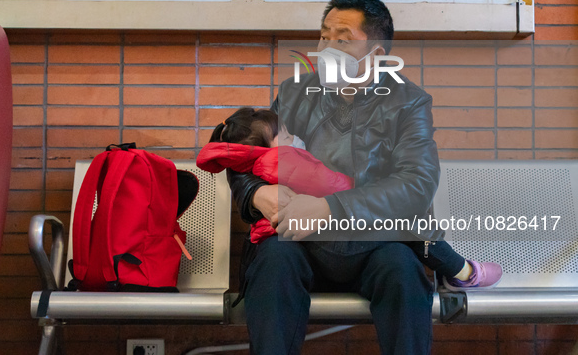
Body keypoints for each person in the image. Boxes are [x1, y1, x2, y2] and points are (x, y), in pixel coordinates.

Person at [221, 0, 485, 355]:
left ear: (376, 54)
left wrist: (332, 207)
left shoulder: (408, 102)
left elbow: (417, 183)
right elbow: (247, 156)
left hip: (374, 243)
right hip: (300, 243)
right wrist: (255, 194)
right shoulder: (295, 93)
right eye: (324, 36)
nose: (326, 47)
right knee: (273, 262)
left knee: (402, 271)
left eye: (342, 39)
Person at [196, 107, 502, 286]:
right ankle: (462, 271)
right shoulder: (285, 158)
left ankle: (459, 269)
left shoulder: (269, 154)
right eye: (287, 135)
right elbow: (331, 185)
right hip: (326, 238)